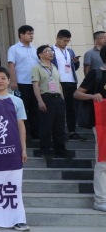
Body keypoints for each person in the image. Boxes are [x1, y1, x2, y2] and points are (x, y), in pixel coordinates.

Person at [0, 66, 30, 232]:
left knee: (12, 184)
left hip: (11, 147)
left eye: (3, 78)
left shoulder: (17, 101)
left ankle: (18, 219)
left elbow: (20, 125)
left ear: (9, 81)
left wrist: (23, 149)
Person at [73, 45, 106, 213]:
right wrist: (92, 96)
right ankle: (100, 199)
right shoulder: (96, 73)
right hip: (101, 123)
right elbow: (77, 93)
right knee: (103, 162)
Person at [31, 45, 72, 159]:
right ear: (40, 54)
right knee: (46, 125)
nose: (51, 53)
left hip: (58, 99)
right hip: (46, 98)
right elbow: (35, 86)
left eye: (51, 51)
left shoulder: (54, 67)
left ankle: (60, 150)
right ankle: (45, 149)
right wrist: (40, 101)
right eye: (47, 51)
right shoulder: (37, 67)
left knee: (59, 126)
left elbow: (59, 84)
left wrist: (62, 98)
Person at [51, 29, 85, 141]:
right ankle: (60, 132)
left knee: (71, 107)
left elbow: (74, 68)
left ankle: (72, 131)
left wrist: (76, 62)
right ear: (58, 39)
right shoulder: (51, 51)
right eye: (64, 40)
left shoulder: (70, 51)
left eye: (68, 41)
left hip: (71, 81)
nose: (66, 43)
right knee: (60, 108)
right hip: (59, 82)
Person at [8, 25, 40, 140]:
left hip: (35, 84)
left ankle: (36, 132)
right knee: (22, 108)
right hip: (21, 83)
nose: (31, 36)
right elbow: (11, 65)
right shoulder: (14, 49)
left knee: (34, 108)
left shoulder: (35, 50)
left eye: (32, 33)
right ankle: (24, 133)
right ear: (21, 35)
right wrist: (13, 81)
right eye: (29, 33)